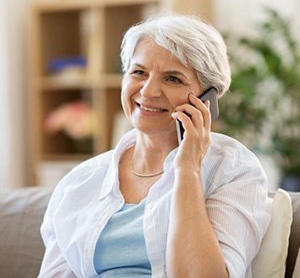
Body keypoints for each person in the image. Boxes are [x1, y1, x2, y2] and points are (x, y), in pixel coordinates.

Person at [38, 14, 271, 278]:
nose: (148, 91)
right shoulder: (79, 182)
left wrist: (187, 169)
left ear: (208, 98)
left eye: (173, 79)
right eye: (139, 72)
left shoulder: (233, 169)